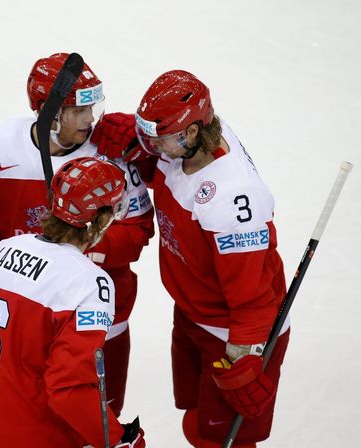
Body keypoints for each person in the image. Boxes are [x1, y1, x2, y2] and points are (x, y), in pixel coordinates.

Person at [0, 52, 154, 416]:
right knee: (22, 416)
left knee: (94, 417)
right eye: (79, 110)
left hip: (97, 314)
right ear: (50, 112)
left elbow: (138, 229)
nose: (91, 120)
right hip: (23, 309)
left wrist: (76, 254)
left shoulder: (113, 156)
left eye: (93, 108)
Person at [93, 70, 290, 447]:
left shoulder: (231, 198)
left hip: (230, 332)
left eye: (158, 137)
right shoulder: (185, 144)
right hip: (192, 310)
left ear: (193, 133)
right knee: (193, 417)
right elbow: (167, 169)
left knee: (219, 439)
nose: (150, 144)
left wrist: (244, 353)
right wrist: (134, 143)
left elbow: (252, 292)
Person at [0, 157, 145, 447]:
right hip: (27, 434)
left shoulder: (1, 251)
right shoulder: (90, 283)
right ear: (100, 218)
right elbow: (68, 388)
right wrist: (116, 438)